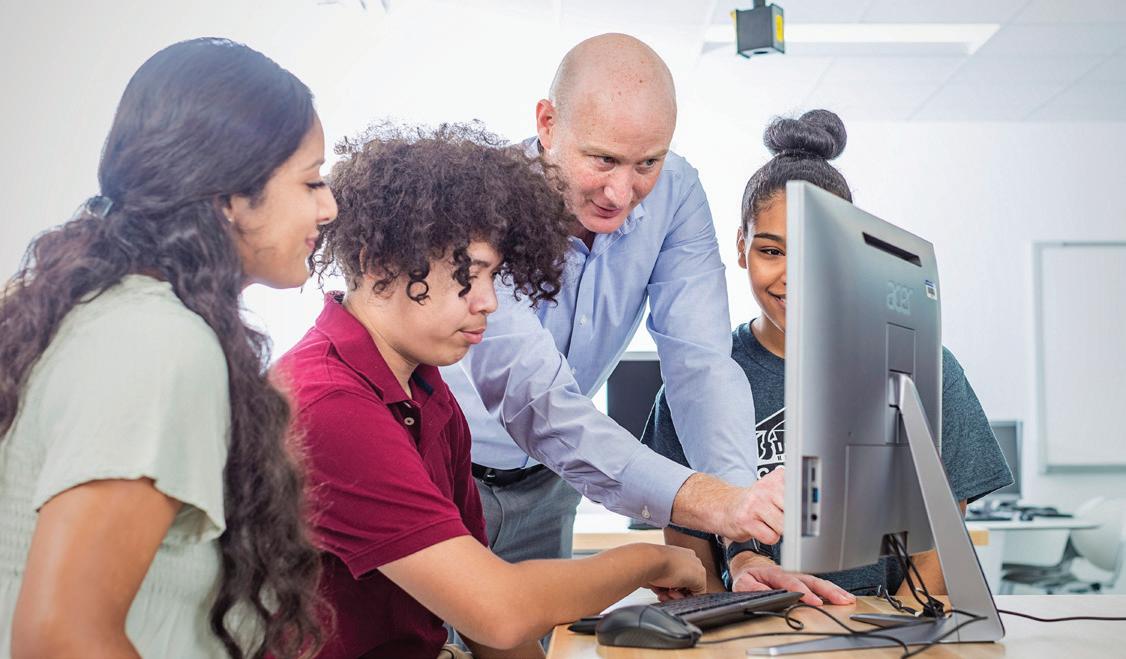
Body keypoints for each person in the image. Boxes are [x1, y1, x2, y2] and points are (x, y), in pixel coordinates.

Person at [276, 123, 706, 659]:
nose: (489, 303)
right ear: (376, 262)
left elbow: (492, 635)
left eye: (494, 277)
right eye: (470, 275)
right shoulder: (329, 404)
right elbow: (497, 614)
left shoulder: (429, 395)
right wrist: (652, 561)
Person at [0, 38, 337, 658]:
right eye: (312, 181)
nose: (328, 207)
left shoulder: (116, 314)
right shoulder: (156, 341)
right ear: (227, 197)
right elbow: (60, 637)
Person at [440, 33, 784, 570]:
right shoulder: (482, 201)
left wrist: (743, 538)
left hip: (550, 483)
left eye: (647, 163)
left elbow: (702, 366)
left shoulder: (676, 193)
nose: (621, 193)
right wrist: (715, 504)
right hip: (444, 472)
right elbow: (535, 400)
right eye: (603, 159)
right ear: (547, 124)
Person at [642, 109, 1014, 603]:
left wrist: (897, 629)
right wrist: (725, 626)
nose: (794, 276)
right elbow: (689, 547)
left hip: (885, 624)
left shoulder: (922, 363)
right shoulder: (698, 379)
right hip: (754, 626)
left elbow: (943, 538)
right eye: (771, 251)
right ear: (741, 247)